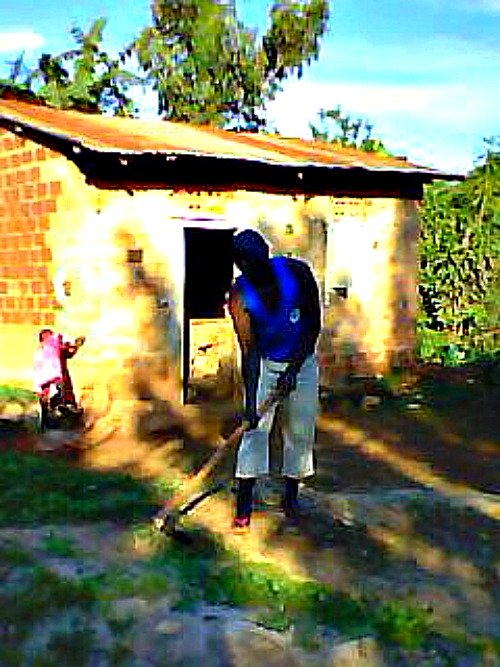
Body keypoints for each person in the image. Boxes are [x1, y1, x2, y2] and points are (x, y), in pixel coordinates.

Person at [228, 229, 321, 529]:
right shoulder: (240, 296)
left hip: (302, 362)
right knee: (254, 431)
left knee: (300, 428)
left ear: (266, 252)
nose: (251, 267)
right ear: (239, 264)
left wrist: (293, 371)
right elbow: (249, 351)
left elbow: (313, 325)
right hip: (266, 364)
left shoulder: (297, 272)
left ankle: (291, 497)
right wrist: (252, 403)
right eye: (243, 262)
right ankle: (243, 506)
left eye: (255, 259)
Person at [34, 329, 85, 429]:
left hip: (61, 379)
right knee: (47, 396)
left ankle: (66, 408)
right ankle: (49, 412)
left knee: (66, 395)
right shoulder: (40, 353)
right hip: (49, 381)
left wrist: (77, 345)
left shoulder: (58, 349)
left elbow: (70, 352)